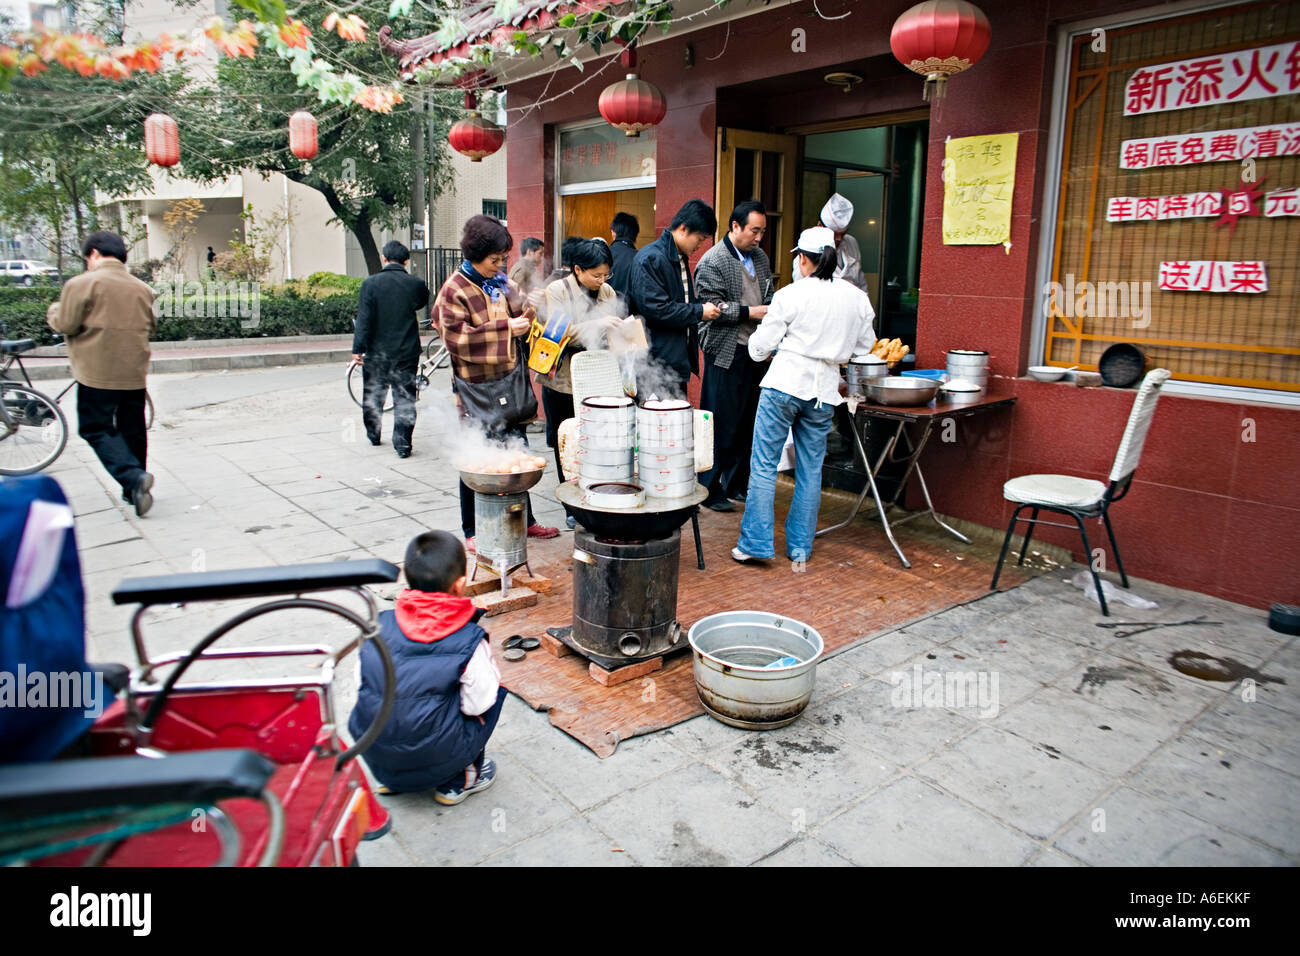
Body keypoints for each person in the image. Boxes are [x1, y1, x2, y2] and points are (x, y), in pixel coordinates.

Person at [733, 226, 876, 567]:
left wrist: (770, 346)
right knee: (811, 470)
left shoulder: (790, 295)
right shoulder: (856, 297)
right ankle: (800, 547)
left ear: (804, 260)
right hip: (824, 392)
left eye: (798, 257)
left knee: (765, 466)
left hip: (784, 383)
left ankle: (755, 544)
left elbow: (757, 349)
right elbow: (864, 346)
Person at [347, 531, 507, 804]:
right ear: (460, 583)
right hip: (437, 754)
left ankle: (391, 778)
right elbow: (478, 705)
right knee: (494, 693)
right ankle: (460, 780)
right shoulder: (468, 641)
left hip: (376, 752)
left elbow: (358, 690)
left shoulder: (376, 625)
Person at [435, 214, 559, 550]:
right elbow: (455, 340)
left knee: (516, 451)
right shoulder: (454, 289)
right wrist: (506, 329)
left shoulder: (501, 281)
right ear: (475, 256)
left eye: (503, 258)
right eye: (495, 259)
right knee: (477, 456)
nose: (500, 265)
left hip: (508, 383)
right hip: (474, 389)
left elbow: (522, 314)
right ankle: (471, 529)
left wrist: (532, 307)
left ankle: (526, 520)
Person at [46, 231, 157, 516]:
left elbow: (67, 323)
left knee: (95, 427)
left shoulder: (82, 283)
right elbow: (151, 326)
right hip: (133, 371)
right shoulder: (142, 289)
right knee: (132, 427)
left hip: (97, 371)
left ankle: (132, 478)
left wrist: (54, 311)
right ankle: (134, 490)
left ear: (93, 254)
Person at [694, 199, 773, 512]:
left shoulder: (761, 258)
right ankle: (709, 487)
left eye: (762, 232)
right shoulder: (713, 260)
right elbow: (712, 307)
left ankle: (737, 483)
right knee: (720, 421)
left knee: (748, 421)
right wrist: (750, 312)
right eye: (754, 231)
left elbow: (768, 295)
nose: (758, 238)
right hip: (726, 351)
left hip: (755, 351)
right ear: (735, 227)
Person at [531, 239, 623, 479]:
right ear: (578, 269)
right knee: (567, 441)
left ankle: (593, 487)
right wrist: (598, 324)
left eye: (606, 275)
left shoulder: (608, 291)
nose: (602, 281)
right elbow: (559, 333)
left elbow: (610, 332)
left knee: (595, 438)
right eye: (596, 275)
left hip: (597, 376)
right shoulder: (557, 291)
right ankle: (570, 502)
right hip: (563, 380)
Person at [628, 198, 721, 399]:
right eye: (700, 238)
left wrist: (701, 307)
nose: (700, 245)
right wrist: (699, 311)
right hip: (655, 364)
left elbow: (680, 303)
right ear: (683, 228)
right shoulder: (651, 258)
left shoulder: (677, 256)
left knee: (675, 424)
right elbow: (657, 310)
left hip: (674, 361)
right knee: (657, 425)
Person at [351, 240, 430, 459]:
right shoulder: (415, 284)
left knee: (374, 394)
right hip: (406, 350)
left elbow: (364, 318)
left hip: (377, 351)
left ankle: (373, 434)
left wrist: (358, 349)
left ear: (384, 258)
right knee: (404, 396)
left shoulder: (371, 284)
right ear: (406, 261)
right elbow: (421, 302)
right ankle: (403, 444)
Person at [817, 193, 870, 292]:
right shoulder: (809, 249)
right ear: (820, 226)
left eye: (843, 234)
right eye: (834, 234)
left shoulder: (851, 242)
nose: (839, 239)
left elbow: (861, 283)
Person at [608, 212, 639, 298]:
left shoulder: (603, 254)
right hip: (630, 310)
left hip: (602, 309)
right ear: (635, 235)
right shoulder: (640, 258)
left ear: (613, 232)